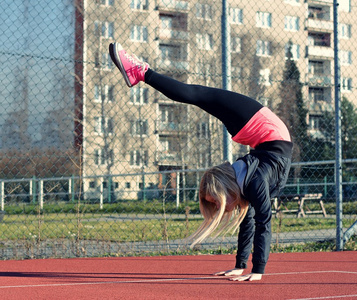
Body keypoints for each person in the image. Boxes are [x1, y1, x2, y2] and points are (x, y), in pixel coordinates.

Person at [109, 42, 293, 281]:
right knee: (196, 94)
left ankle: (141, 72)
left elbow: (258, 222)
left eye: (214, 203)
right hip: (263, 129)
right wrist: (245, 266)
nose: (218, 208)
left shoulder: (250, 182)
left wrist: (255, 270)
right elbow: (259, 221)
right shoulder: (254, 183)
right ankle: (141, 72)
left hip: (257, 133)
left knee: (197, 95)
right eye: (215, 203)